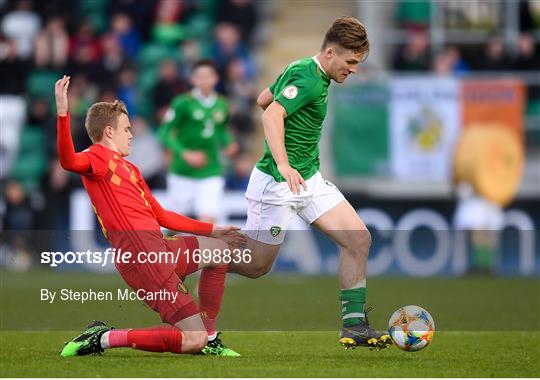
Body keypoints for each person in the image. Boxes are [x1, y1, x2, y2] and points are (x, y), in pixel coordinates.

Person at [228, 16, 392, 351]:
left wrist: (293, 157)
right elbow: (270, 114)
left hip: (308, 179)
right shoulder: (308, 77)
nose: (354, 69)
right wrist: (285, 164)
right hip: (277, 181)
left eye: (358, 63)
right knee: (256, 265)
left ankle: (354, 326)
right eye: (350, 62)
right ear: (330, 53)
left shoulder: (303, 69)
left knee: (358, 239)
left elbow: (264, 98)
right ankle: (183, 253)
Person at [54, 75, 242, 357]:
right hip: (143, 258)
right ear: (108, 132)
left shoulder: (130, 169)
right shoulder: (96, 159)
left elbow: (161, 215)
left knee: (221, 252)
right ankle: (103, 338)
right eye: (126, 129)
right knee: (192, 340)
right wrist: (63, 114)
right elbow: (68, 161)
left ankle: (212, 338)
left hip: (159, 249)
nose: (131, 135)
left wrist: (212, 231)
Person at [158, 60, 238, 224]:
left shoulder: (222, 104)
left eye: (207, 76)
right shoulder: (182, 103)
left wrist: (229, 142)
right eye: (199, 77)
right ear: (193, 80)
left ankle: (204, 250)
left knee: (208, 221)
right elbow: (164, 133)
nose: (204, 80)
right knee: (174, 224)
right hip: (183, 171)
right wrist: (185, 153)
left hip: (211, 170)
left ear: (215, 79)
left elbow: (221, 130)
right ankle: (164, 249)